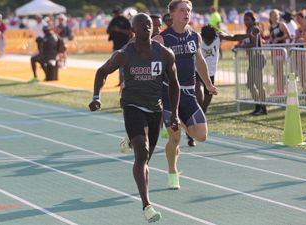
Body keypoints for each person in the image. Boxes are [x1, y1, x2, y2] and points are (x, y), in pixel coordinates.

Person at [89, 13, 180, 223]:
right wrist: (96, 97)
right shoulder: (125, 54)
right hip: (132, 106)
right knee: (142, 152)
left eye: (149, 24)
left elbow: (174, 83)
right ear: (134, 30)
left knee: (146, 158)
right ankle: (147, 205)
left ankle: (131, 140)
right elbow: (102, 72)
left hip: (155, 109)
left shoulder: (165, 54)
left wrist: (173, 112)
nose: (147, 27)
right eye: (142, 25)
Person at [153, 0, 218, 189]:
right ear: (171, 14)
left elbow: (199, 61)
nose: (186, 13)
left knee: (202, 135)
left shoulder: (194, 37)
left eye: (188, 10)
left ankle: (180, 122)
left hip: (189, 93)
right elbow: (153, 68)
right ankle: (172, 172)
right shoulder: (161, 40)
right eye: (182, 10)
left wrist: (208, 84)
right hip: (168, 94)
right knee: (175, 138)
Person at [196, 25, 248, 114]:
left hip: (211, 73)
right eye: (207, 40)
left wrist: (248, 35)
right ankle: (195, 116)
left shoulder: (219, 36)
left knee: (205, 105)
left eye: (211, 40)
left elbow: (233, 37)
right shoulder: (197, 37)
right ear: (202, 36)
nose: (208, 43)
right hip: (198, 71)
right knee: (199, 97)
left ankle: (201, 119)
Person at [237, 11, 267, 116]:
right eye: (244, 19)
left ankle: (263, 108)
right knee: (249, 84)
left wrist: (241, 46)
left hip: (258, 58)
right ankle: (258, 106)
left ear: (253, 20)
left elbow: (254, 44)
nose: (245, 21)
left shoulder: (254, 28)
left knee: (258, 84)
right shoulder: (249, 29)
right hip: (253, 59)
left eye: (247, 19)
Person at [107, 6, 133, 86]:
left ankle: (126, 81)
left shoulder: (125, 20)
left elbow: (130, 32)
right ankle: (121, 81)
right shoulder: (113, 20)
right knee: (118, 65)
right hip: (116, 45)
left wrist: (119, 30)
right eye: (115, 13)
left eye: (117, 12)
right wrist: (112, 30)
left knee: (125, 65)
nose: (116, 14)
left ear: (120, 12)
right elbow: (108, 31)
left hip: (125, 45)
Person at [268, 9, 290, 96]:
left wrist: (278, 39)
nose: (275, 17)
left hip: (281, 50)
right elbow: (271, 38)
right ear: (270, 17)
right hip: (273, 51)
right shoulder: (270, 27)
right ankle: (278, 90)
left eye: (277, 15)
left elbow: (288, 35)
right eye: (273, 16)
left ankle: (282, 90)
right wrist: (268, 42)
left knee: (280, 71)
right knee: (276, 72)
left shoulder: (282, 24)